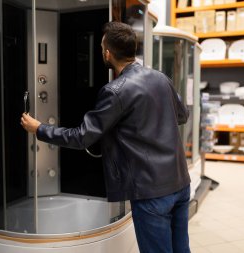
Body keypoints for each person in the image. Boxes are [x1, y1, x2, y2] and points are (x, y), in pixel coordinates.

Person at [21, 21, 191, 253]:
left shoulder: (115, 91)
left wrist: (39, 128)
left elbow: (82, 137)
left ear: (108, 53)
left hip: (151, 193)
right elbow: (182, 115)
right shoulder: (161, 78)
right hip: (180, 183)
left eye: (102, 47)